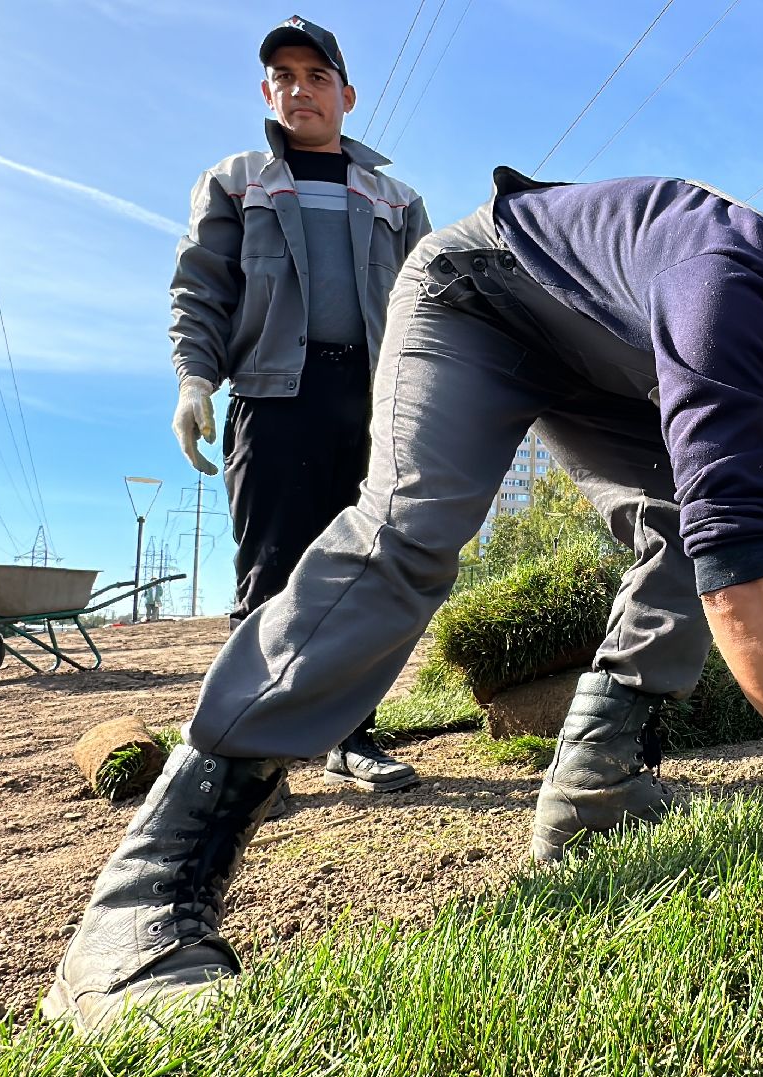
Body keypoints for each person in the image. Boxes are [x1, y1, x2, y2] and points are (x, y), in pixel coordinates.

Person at [44, 171, 763, 1031]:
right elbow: (740, 558)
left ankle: (595, 791)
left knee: (680, 529)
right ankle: (141, 907)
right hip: (482, 295)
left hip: (603, 360)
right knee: (411, 531)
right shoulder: (726, 280)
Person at [168, 15, 430, 792]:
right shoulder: (236, 181)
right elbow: (200, 291)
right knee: (271, 573)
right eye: (285, 76)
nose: (301, 89)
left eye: (317, 76)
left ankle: (352, 735)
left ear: (347, 95)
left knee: (364, 572)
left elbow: (428, 308)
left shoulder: (396, 200)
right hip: (272, 398)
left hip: (374, 404)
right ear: (266, 92)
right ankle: (251, 760)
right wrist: (193, 379)